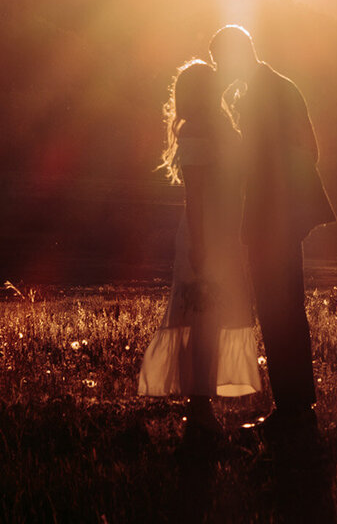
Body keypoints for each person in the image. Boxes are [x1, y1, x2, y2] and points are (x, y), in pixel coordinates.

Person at [208, 25, 336, 438]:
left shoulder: (265, 93)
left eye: (220, 62)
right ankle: (297, 405)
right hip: (279, 216)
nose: (219, 71)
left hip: (272, 217)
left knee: (277, 308)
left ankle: (293, 409)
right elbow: (308, 149)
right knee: (283, 308)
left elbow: (292, 153)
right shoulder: (274, 87)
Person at [138, 58, 261, 440]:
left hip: (223, 233)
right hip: (205, 235)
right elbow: (194, 199)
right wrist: (201, 247)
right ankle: (199, 406)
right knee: (201, 315)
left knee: (214, 314)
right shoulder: (195, 134)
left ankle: (202, 406)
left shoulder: (220, 128)